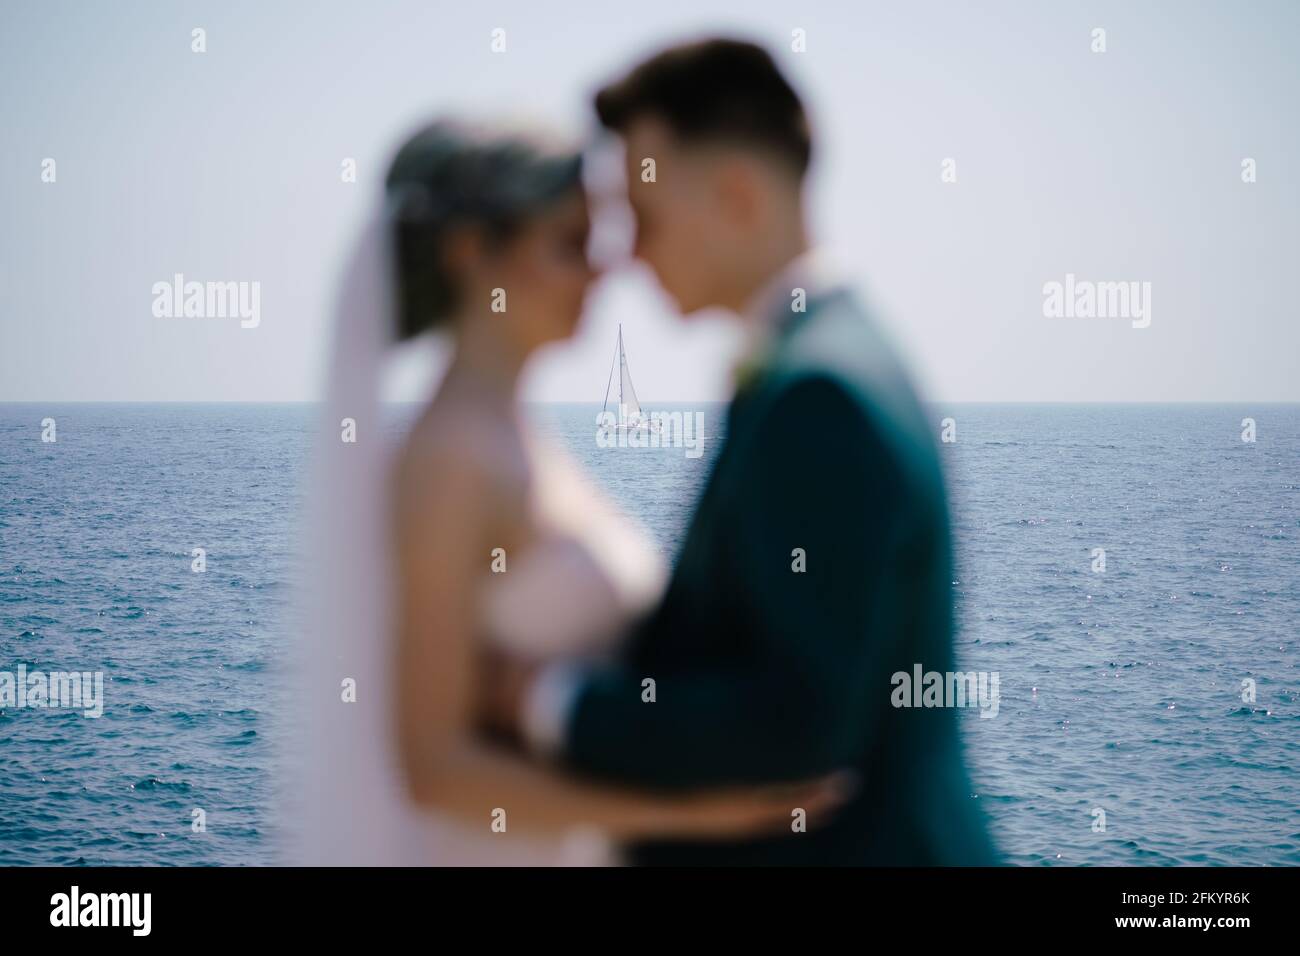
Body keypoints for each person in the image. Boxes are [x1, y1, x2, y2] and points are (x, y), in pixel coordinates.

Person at [483, 38, 1000, 866]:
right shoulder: (826, 363)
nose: (624, 252)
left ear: (736, 197)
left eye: (642, 216)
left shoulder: (817, 395)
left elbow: (794, 723)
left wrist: (548, 702)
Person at [291, 118, 845, 865]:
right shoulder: (451, 460)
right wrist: (700, 817)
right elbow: (434, 770)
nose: (603, 270)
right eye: (569, 243)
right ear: (470, 255)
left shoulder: (516, 434)